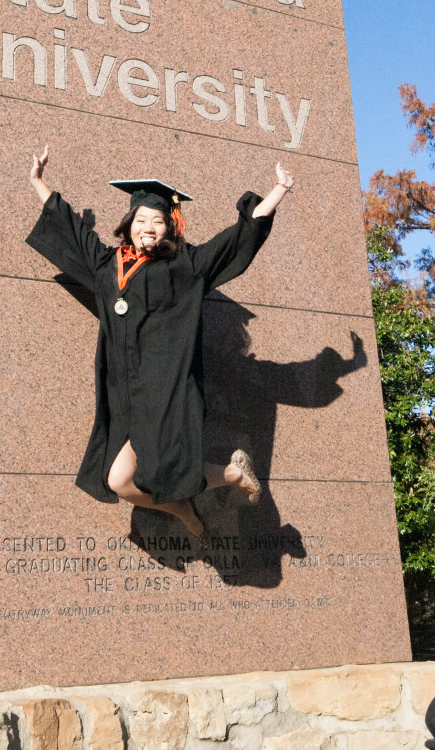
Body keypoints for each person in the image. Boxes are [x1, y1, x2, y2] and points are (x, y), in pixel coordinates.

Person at [26, 144, 294, 543]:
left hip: (166, 391)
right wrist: (38, 181)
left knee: (159, 471)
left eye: (157, 221)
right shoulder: (107, 265)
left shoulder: (185, 267)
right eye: (141, 220)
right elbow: (72, 232)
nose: (148, 227)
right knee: (120, 481)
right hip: (123, 393)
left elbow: (236, 239)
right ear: (129, 224)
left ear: (171, 227)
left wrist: (278, 191)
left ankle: (225, 478)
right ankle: (195, 498)